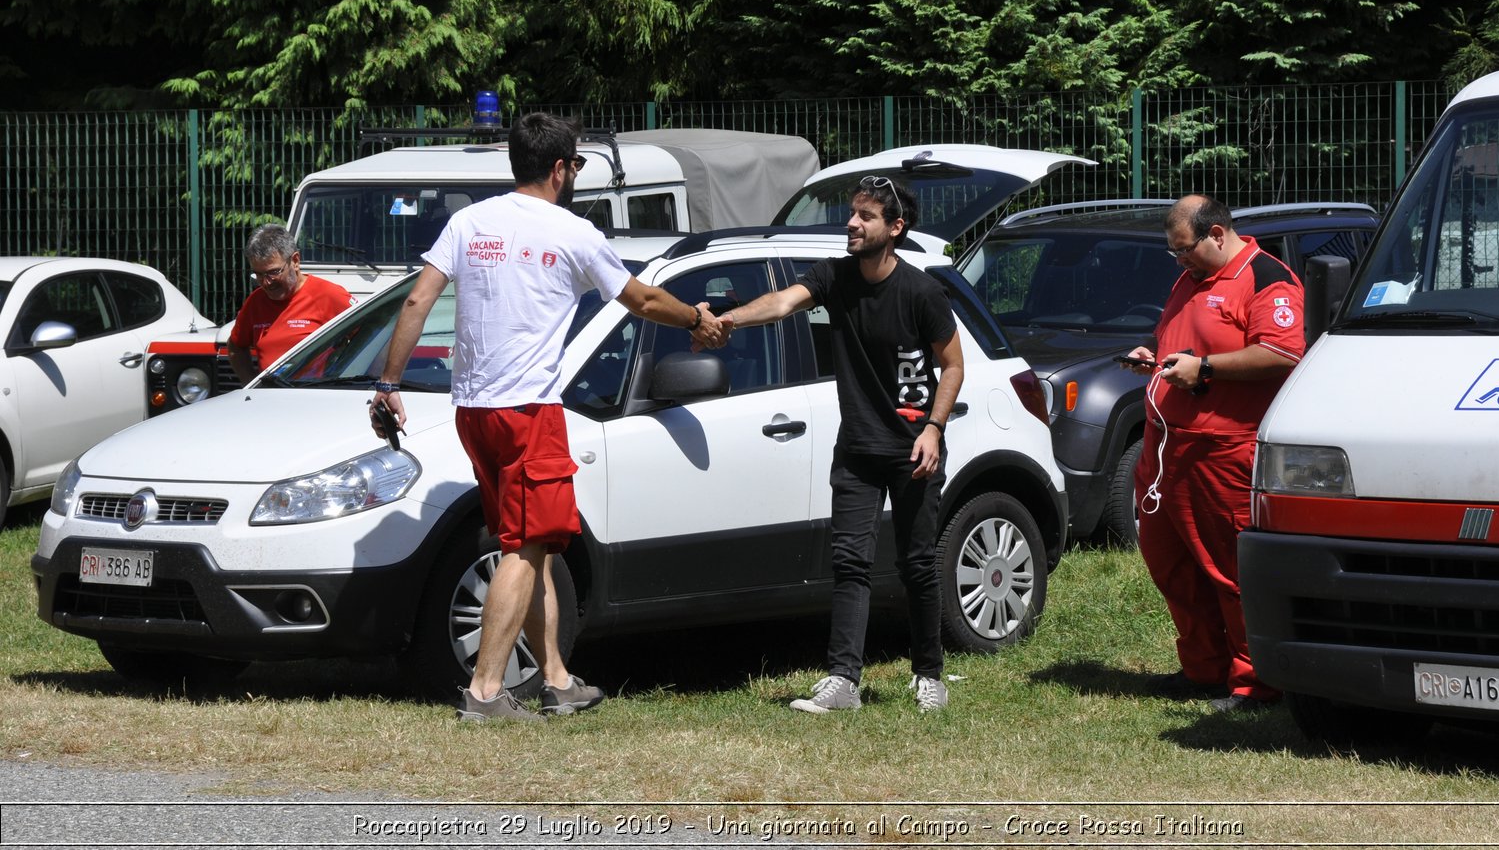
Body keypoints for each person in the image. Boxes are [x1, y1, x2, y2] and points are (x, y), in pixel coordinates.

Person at [370, 112, 726, 723]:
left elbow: (418, 298)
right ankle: (485, 692)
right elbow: (639, 299)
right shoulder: (572, 232)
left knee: (535, 544)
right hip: (528, 410)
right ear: (561, 169)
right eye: (577, 167)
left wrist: (388, 382)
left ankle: (557, 677)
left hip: (475, 412)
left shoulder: (469, 221)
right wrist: (697, 320)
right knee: (527, 546)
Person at [715, 176, 964, 714]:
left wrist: (933, 428)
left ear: (895, 229)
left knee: (917, 564)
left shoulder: (921, 292)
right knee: (850, 563)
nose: (852, 223)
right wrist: (729, 318)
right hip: (857, 450)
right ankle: (843, 682)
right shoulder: (835, 277)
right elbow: (784, 302)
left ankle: (929, 676)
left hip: (912, 451)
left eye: (866, 216)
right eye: (853, 213)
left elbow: (953, 365)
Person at [1120, 194, 1305, 713]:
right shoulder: (1191, 278)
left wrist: (1204, 369)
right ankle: (1204, 669)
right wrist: (1153, 358)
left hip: (1224, 452)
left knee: (1230, 572)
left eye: (1184, 250)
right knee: (1170, 564)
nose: (1178, 261)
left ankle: (1255, 684)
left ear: (1217, 234)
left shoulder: (1267, 278)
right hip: (1166, 451)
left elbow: (1281, 353)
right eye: (1174, 253)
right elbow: (1184, 341)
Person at [227, 224, 355, 382]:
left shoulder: (328, 295)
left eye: (273, 272)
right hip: (271, 400)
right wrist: (250, 382)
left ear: (295, 261)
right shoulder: (256, 302)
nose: (266, 283)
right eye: (259, 274)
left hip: (318, 398)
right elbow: (235, 346)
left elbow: (373, 333)